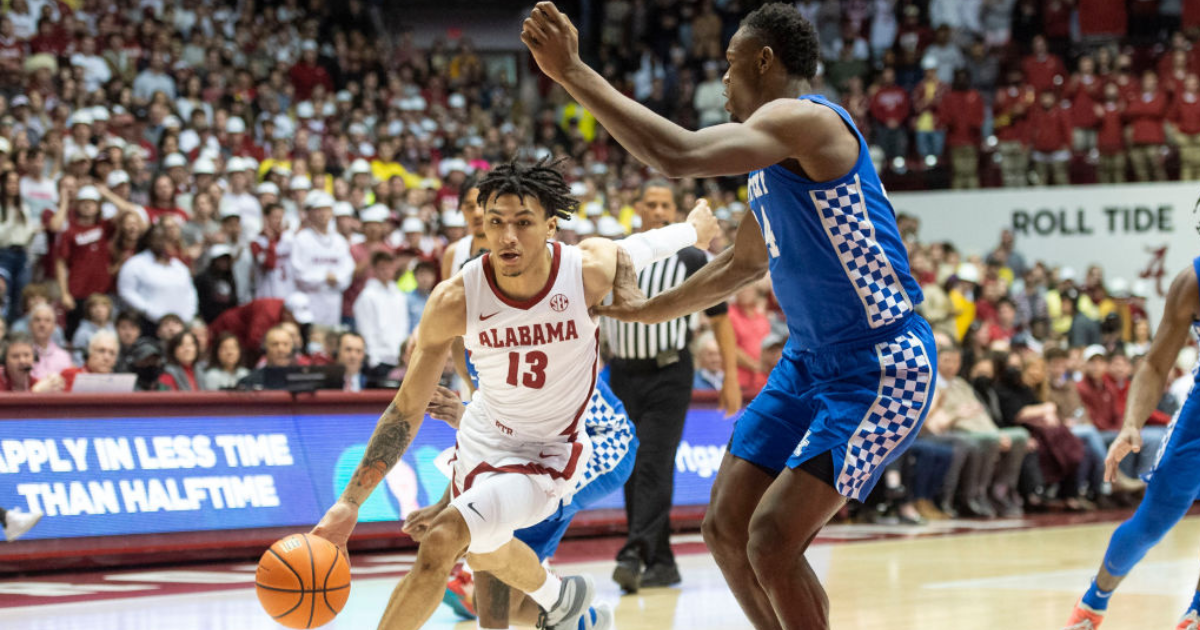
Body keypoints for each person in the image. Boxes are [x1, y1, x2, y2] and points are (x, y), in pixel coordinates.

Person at [524, 4, 935, 628]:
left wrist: (573, 73)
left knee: (770, 538)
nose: (722, 80)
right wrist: (644, 311)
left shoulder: (806, 121)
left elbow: (676, 154)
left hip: (882, 363)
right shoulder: (771, 161)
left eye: (730, 64)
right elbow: (740, 265)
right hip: (807, 361)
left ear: (764, 61)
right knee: (724, 528)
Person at [309, 159, 719, 630]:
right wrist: (349, 505)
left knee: (444, 540)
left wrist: (692, 230)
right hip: (484, 433)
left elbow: (640, 247)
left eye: (523, 223)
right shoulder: (454, 299)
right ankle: (560, 598)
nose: (507, 237)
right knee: (484, 554)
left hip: (547, 453)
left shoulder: (584, 271)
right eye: (495, 223)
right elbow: (406, 408)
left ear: (550, 226)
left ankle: (553, 598)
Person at [600, 179, 741, 592]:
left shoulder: (692, 258)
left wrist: (730, 377)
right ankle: (661, 562)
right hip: (622, 374)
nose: (659, 211)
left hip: (669, 373)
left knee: (652, 464)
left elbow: (720, 320)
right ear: (637, 207)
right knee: (630, 467)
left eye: (666, 205)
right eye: (652, 204)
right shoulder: (615, 254)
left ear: (676, 212)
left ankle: (634, 551)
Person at [412, 379, 637, 630]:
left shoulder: (531, 345)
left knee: (493, 526)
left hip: (601, 440)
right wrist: (445, 504)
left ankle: (560, 596)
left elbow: (534, 418)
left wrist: (470, 417)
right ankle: (584, 621)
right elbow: (480, 451)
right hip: (535, 445)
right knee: (498, 602)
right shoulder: (470, 353)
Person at [1063, 259, 1200, 629]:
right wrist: (1130, 424)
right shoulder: (1193, 281)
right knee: (1154, 520)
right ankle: (1093, 602)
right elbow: (1155, 365)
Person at [117, 222, 198, 333]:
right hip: (148, 323)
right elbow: (126, 291)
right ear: (148, 240)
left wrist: (188, 315)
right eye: (156, 238)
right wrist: (148, 310)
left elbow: (190, 292)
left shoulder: (178, 266)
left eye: (164, 238)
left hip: (180, 324)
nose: (160, 242)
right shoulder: (135, 264)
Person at [290, 191, 354, 327]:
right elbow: (298, 272)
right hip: (310, 298)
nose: (323, 214)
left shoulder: (339, 240)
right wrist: (324, 278)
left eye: (327, 210)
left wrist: (337, 278)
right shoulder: (302, 239)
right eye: (318, 210)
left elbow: (348, 268)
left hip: (334, 298)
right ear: (309, 213)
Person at [207, 293, 314, 364]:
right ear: (287, 313)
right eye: (296, 320)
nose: (299, 325)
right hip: (227, 330)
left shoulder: (283, 311)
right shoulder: (268, 314)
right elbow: (254, 342)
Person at [354, 250, 408, 377]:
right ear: (374, 270)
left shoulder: (399, 295)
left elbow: (403, 325)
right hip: (379, 359)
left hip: (399, 359)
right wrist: (373, 360)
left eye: (390, 268)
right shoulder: (367, 296)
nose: (387, 271)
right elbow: (365, 330)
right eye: (382, 268)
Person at [28, 303, 72, 379]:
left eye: (47, 320)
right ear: (30, 325)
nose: (42, 324)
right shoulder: (22, 356)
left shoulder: (64, 356)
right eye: (37, 320)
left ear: (54, 327)